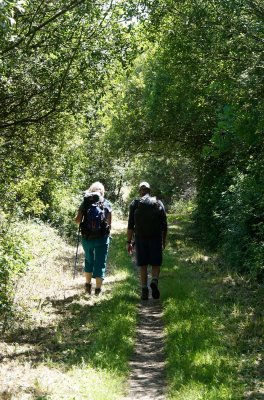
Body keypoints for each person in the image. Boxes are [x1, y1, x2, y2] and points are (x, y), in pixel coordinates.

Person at [127, 181, 167, 300]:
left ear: (140, 191)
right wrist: (163, 241)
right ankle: (154, 280)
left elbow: (130, 225)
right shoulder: (158, 203)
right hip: (155, 237)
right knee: (156, 263)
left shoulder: (135, 204)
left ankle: (144, 291)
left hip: (140, 238)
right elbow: (165, 225)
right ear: (150, 191)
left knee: (143, 264)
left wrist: (128, 242)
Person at [75, 181, 112, 295]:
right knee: (100, 262)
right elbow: (109, 224)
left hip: (87, 238)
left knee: (88, 260)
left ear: (91, 190)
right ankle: (98, 290)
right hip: (102, 238)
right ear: (102, 192)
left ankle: (87, 286)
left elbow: (77, 220)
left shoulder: (85, 203)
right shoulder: (107, 203)